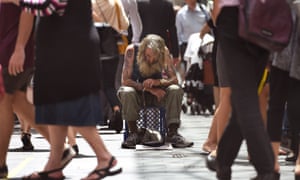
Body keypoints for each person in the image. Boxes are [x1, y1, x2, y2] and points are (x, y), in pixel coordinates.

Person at [1, 0, 122, 179]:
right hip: (60, 47)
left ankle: (104, 157)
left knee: (71, 105)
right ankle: (54, 164)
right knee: (54, 104)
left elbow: (49, 4)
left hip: (70, 47)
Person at [210, 0, 277, 179]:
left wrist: (219, 16)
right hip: (265, 18)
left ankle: (267, 169)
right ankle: (223, 162)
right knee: (243, 97)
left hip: (235, 17)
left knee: (245, 98)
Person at [0, 4, 52, 178]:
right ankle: (61, 149)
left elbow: (27, 8)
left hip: (13, 48)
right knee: (18, 101)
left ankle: (0, 165)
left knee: (4, 99)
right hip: (12, 46)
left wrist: (19, 47)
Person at [118, 34, 194, 149]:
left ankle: (173, 133)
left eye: (155, 57)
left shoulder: (164, 52)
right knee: (127, 91)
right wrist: (149, 89)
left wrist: (158, 82)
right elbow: (125, 81)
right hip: (137, 96)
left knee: (175, 89)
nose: (151, 60)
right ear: (143, 51)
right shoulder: (132, 50)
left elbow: (174, 79)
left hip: (159, 95)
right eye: (148, 56)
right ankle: (134, 133)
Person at [266, 1, 300, 177]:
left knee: (287, 106)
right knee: (279, 105)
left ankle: (276, 162)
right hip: (282, 44)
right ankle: (274, 161)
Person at [92, 0, 129, 132]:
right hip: (112, 48)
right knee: (109, 85)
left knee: (94, 85)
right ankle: (116, 109)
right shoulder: (115, 3)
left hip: (94, 48)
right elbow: (125, 24)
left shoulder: (91, 4)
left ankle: (96, 117)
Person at [137, 0, 180, 66]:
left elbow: (134, 26)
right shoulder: (167, 5)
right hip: (161, 45)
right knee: (161, 73)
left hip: (144, 44)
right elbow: (172, 30)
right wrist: (175, 54)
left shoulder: (139, 3)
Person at [176, 0, 208, 74]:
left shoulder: (204, 10)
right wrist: (179, 53)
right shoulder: (181, 14)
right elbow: (178, 34)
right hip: (187, 48)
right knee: (190, 74)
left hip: (203, 47)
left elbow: (210, 27)